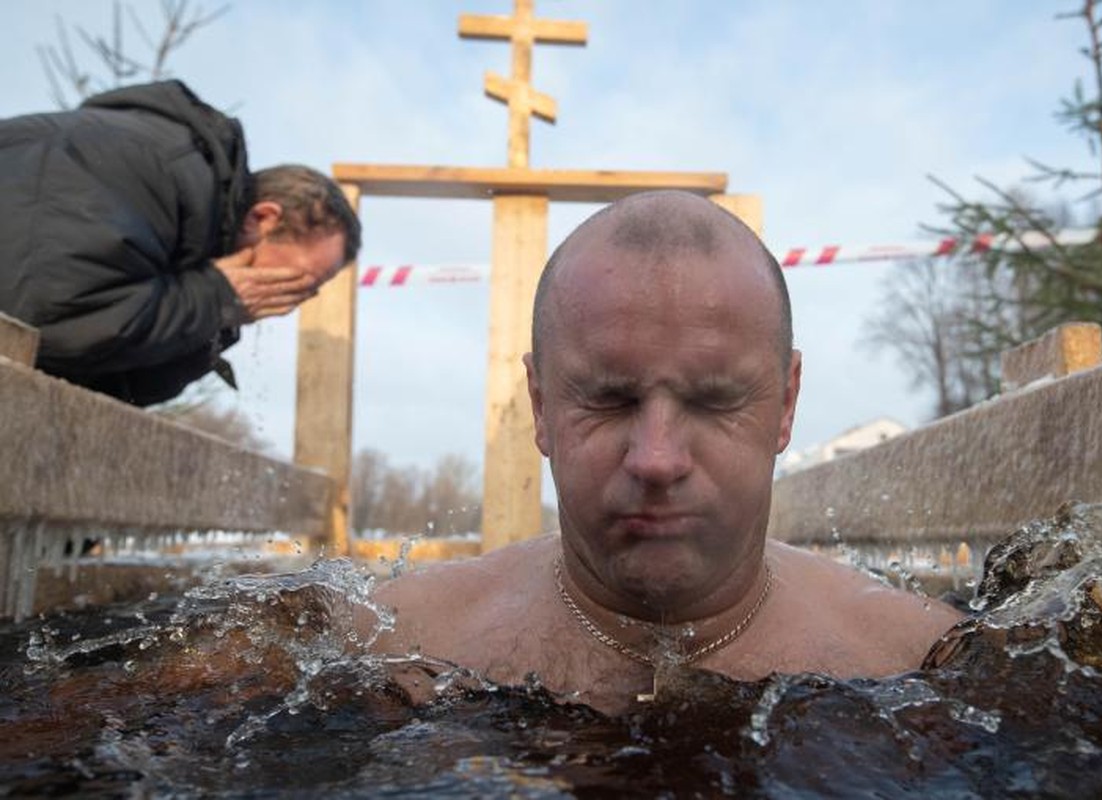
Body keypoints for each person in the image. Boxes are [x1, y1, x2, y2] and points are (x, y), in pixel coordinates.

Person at [371, 191, 962, 714]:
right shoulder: (390, 649)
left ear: (785, 405)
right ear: (541, 405)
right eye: (609, 399)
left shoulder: (930, 666)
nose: (656, 460)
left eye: (713, 401)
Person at [0, 80, 361, 406]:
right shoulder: (147, 170)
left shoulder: (189, 249)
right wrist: (211, 299)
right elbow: (55, 323)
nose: (291, 301)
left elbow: (114, 388)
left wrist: (212, 318)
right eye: (299, 280)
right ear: (263, 219)